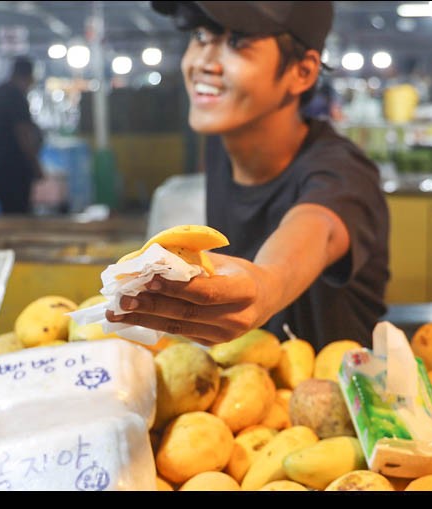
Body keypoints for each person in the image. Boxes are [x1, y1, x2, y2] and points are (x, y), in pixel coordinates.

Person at [107, 1, 390, 350]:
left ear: (302, 71)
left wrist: (266, 282)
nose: (202, 62)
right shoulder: (223, 147)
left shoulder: (344, 172)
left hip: (330, 394)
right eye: (200, 35)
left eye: (237, 42)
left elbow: (319, 228)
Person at [0, 56, 43, 214]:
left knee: (6, 210)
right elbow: (23, 134)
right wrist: (36, 165)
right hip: (15, 169)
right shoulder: (17, 97)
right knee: (18, 213)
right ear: (29, 77)